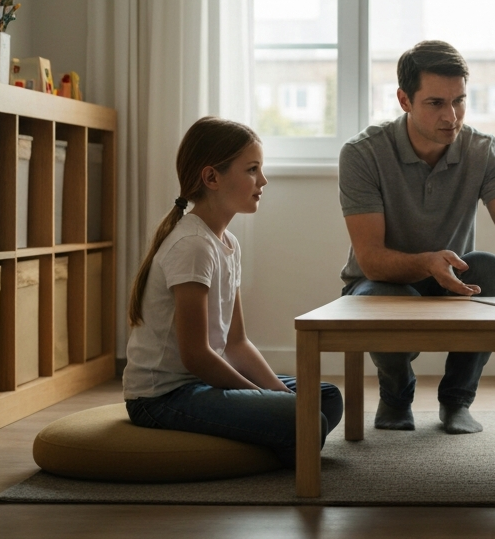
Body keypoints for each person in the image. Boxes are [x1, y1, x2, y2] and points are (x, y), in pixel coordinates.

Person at [339, 39, 495, 434]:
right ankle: (396, 394)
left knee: (490, 270)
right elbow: (371, 258)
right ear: (404, 100)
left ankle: (456, 400)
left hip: (451, 277)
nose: (451, 116)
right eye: (436, 103)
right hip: (379, 283)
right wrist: (425, 262)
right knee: (385, 299)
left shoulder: (481, 149)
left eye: (459, 101)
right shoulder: (363, 153)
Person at [124, 117, 342, 467]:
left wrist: (278, 394)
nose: (263, 181)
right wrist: (260, 397)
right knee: (306, 419)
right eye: (252, 169)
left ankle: (268, 437)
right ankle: (274, 443)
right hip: (165, 397)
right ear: (212, 178)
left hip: (205, 383)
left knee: (327, 398)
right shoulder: (192, 244)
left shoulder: (228, 244)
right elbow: (196, 356)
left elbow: (236, 343)